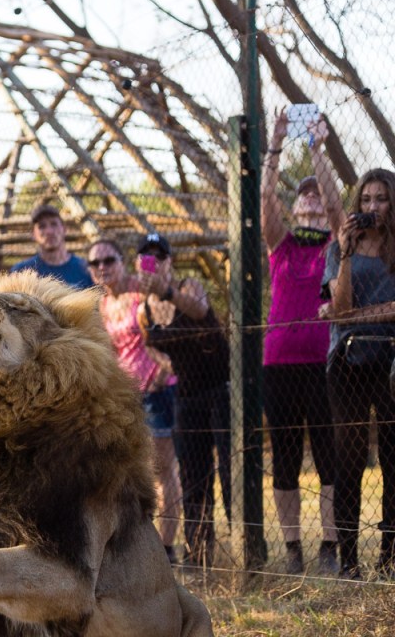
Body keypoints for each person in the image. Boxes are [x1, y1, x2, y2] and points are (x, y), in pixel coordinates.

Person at [261, 109, 343, 575]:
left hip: (323, 362)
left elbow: (336, 205)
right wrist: (275, 146)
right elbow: (266, 195)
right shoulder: (283, 244)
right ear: (295, 209)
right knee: (287, 458)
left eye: (315, 194)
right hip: (280, 364)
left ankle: (329, 546)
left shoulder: (333, 241)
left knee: (329, 455)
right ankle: (292, 549)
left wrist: (316, 146)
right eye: (303, 195)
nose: (311, 199)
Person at [135, 233, 231, 568]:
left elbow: (200, 310)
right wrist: (166, 366)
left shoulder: (189, 286)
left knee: (230, 469)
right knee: (193, 474)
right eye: (146, 257)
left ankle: (243, 541)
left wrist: (166, 291)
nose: (154, 261)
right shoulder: (144, 310)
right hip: (186, 394)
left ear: (170, 262)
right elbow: (151, 345)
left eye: (159, 256)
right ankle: (198, 550)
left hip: (220, 389)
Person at [88, 238, 182, 563]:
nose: (103, 268)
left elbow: (166, 332)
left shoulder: (139, 294)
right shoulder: (101, 305)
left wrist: (163, 369)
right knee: (130, 471)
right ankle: (138, 544)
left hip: (158, 391)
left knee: (162, 469)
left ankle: (167, 548)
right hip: (125, 398)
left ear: (122, 262)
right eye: (96, 263)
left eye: (109, 260)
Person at [321, 168, 395, 580]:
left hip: (391, 361)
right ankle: (349, 560)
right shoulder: (339, 248)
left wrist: (354, 316)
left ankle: (390, 557)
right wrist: (346, 252)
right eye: (365, 200)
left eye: (380, 199)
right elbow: (341, 307)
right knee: (348, 459)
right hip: (347, 362)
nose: (371, 208)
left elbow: (348, 314)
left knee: (394, 459)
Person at [11, 204, 93, 289]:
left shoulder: (86, 269)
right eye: (42, 226)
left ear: (64, 229)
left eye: (54, 224)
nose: (49, 231)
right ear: (33, 234)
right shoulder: (22, 272)